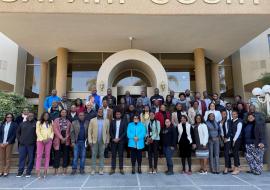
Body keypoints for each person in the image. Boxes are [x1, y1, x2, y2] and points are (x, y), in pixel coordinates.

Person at [88, 108, 110, 175]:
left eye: (101, 112)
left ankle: (101, 169)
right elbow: (89, 131)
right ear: (97, 112)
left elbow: (108, 132)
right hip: (94, 141)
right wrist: (90, 140)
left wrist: (107, 141)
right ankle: (93, 169)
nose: (100, 113)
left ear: (103, 113)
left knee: (101, 155)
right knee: (94, 155)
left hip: (103, 141)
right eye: (99, 112)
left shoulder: (107, 121)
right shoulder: (92, 120)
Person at [16, 112, 36, 178]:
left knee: (30, 159)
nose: (30, 117)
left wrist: (34, 140)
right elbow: (18, 132)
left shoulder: (36, 124)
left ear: (33, 116)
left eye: (32, 116)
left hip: (31, 145)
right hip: (22, 144)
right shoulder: (22, 124)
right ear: (27, 116)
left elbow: (37, 133)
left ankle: (28, 172)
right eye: (29, 115)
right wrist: (20, 140)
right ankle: (20, 172)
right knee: (22, 158)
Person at [52, 109, 71, 175]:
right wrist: (61, 138)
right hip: (58, 139)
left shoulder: (68, 121)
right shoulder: (56, 120)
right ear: (60, 113)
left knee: (65, 155)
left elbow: (69, 131)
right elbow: (55, 130)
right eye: (62, 112)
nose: (63, 113)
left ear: (66, 113)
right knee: (57, 155)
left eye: (65, 112)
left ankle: (64, 170)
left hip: (66, 140)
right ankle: (56, 170)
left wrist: (65, 138)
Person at [35, 112, 54, 179]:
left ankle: (45, 171)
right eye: (45, 115)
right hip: (40, 141)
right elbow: (37, 131)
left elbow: (52, 131)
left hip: (49, 141)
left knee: (47, 156)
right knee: (39, 156)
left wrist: (49, 138)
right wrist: (42, 139)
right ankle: (38, 172)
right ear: (43, 116)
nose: (46, 116)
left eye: (47, 115)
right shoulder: (38, 122)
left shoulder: (51, 122)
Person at [109, 110, 127, 175]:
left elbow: (125, 132)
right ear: (115, 115)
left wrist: (119, 138)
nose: (118, 115)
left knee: (120, 155)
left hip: (121, 141)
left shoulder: (124, 122)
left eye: (119, 114)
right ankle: (113, 169)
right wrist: (113, 138)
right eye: (117, 114)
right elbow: (110, 131)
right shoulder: (112, 122)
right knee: (113, 155)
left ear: (121, 115)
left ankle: (121, 169)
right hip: (113, 141)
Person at [220, 110, 233, 174]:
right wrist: (222, 137)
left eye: (225, 113)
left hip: (228, 139)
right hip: (223, 139)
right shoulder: (220, 122)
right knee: (227, 153)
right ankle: (230, 167)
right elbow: (221, 131)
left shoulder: (229, 121)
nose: (223, 114)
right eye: (222, 113)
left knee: (226, 154)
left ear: (227, 114)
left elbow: (230, 130)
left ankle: (226, 168)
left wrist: (226, 137)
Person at [230, 110, 243, 175]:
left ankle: (236, 168)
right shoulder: (232, 121)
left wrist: (234, 140)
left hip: (237, 139)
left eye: (235, 114)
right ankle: (238, 166)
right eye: (232, 114)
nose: (233, 115)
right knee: (235, 153)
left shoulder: (239, 121)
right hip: (233, 139)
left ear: (237, 115)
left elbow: (238, 132)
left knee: (235, 153)